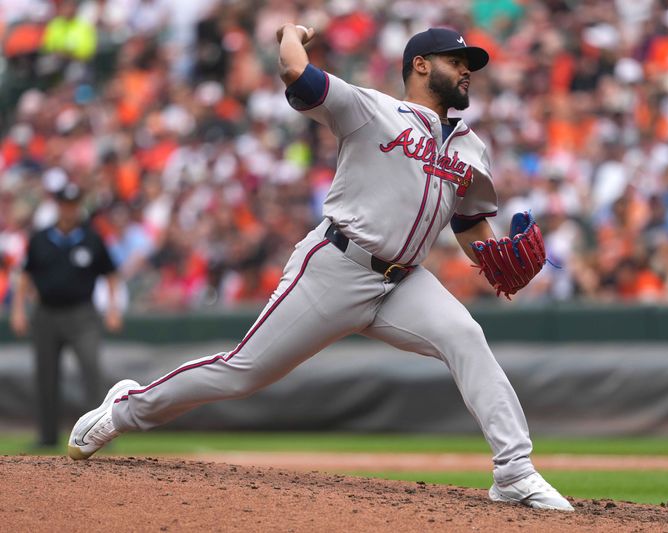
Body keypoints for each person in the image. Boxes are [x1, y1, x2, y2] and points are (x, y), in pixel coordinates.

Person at [66, 25, 573, 512]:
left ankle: (513, 472)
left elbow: (468, 225)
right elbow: (296, 72)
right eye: (456, 62)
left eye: (470, 66)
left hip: (404, 283)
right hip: (336, 266)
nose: (467, 72)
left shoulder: (470, 146)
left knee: (466, 335)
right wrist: (291, 31)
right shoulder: (372, 110)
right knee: (243, 372)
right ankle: (126, 408)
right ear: (420, 65)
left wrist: (494, 254)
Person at [11, 181, 122, 447]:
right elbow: (25, 276)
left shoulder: (92, 238)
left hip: (82, 314)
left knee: (91, 372)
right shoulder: (40, 238)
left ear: (78, 207)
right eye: (64, 204)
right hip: (46, 313)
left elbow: (111, 275)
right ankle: (47, 437)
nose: (69, 210)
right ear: (58, 206)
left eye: (73, 205)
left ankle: (100, 434)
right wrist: (18, 310)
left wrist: (113, 308)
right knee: (46, 376)